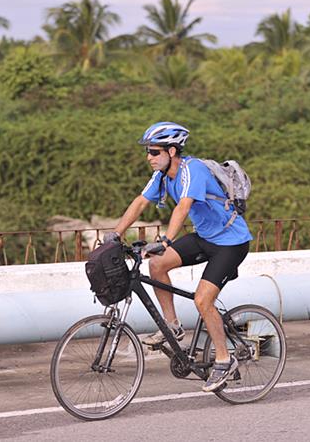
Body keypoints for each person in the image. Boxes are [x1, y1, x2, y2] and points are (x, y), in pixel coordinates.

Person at [104, 121, 252, 392]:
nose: (149, 157)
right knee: (157, 264)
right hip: (206, 237)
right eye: (148, 152)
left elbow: (183, 207)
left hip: (231, 243)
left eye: (154, 152)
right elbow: (140, 202)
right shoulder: (161, 176)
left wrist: (165, 240)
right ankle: (172, 326)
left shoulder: (191, 170)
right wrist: (115, 234)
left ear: (172, 151)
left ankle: (224, 358)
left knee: (202, 300)